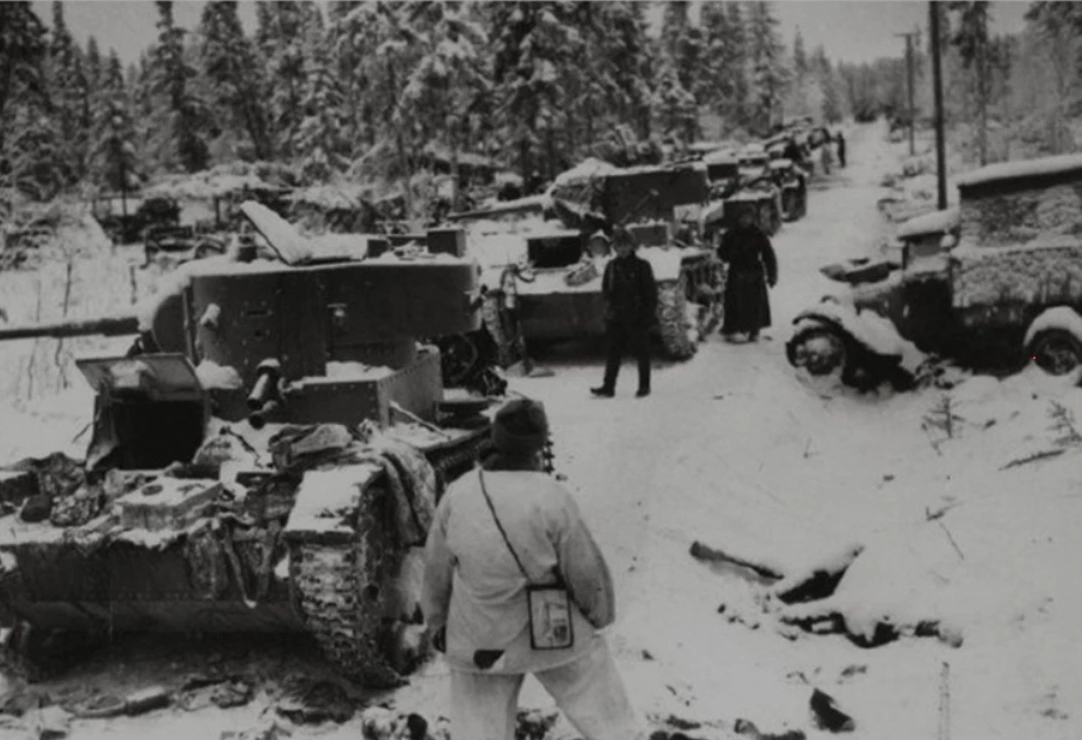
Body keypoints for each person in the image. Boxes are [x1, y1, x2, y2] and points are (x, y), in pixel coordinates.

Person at [421, 398, 645, 740]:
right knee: (606, 712)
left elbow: (436, 569)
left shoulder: (459, 493)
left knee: (478, 731)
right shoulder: (552, 497)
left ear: (495, 438)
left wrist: (438, 623)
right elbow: (585, 573)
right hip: (551, 631)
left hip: (480, 638)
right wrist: (598, 616)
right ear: (539, 445)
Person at [591, 227, 658, 398]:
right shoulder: (612, 266)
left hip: (637, 314)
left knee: (642, 352)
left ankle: (644, 386)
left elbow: (650, 293)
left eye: (625, 245)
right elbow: (606, 289)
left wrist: (647, 315)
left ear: (631, 246)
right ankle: (608, 386)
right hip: (617, 315)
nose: (622, 249)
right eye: (618, 246)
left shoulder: (642, 266)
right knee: (613, 352)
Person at [717, 209, 778, 342]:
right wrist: (729, 254)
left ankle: (754, 330)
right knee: (736, 302)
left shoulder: (758, 234)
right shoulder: (731, 234)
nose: (745, 220)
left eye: (748, 217)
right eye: (743, 217)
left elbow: (768, 255)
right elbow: (722, 253)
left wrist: (772, 275)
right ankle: (736, 329)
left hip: (754, 272)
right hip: (737, 272)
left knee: (755, 304)